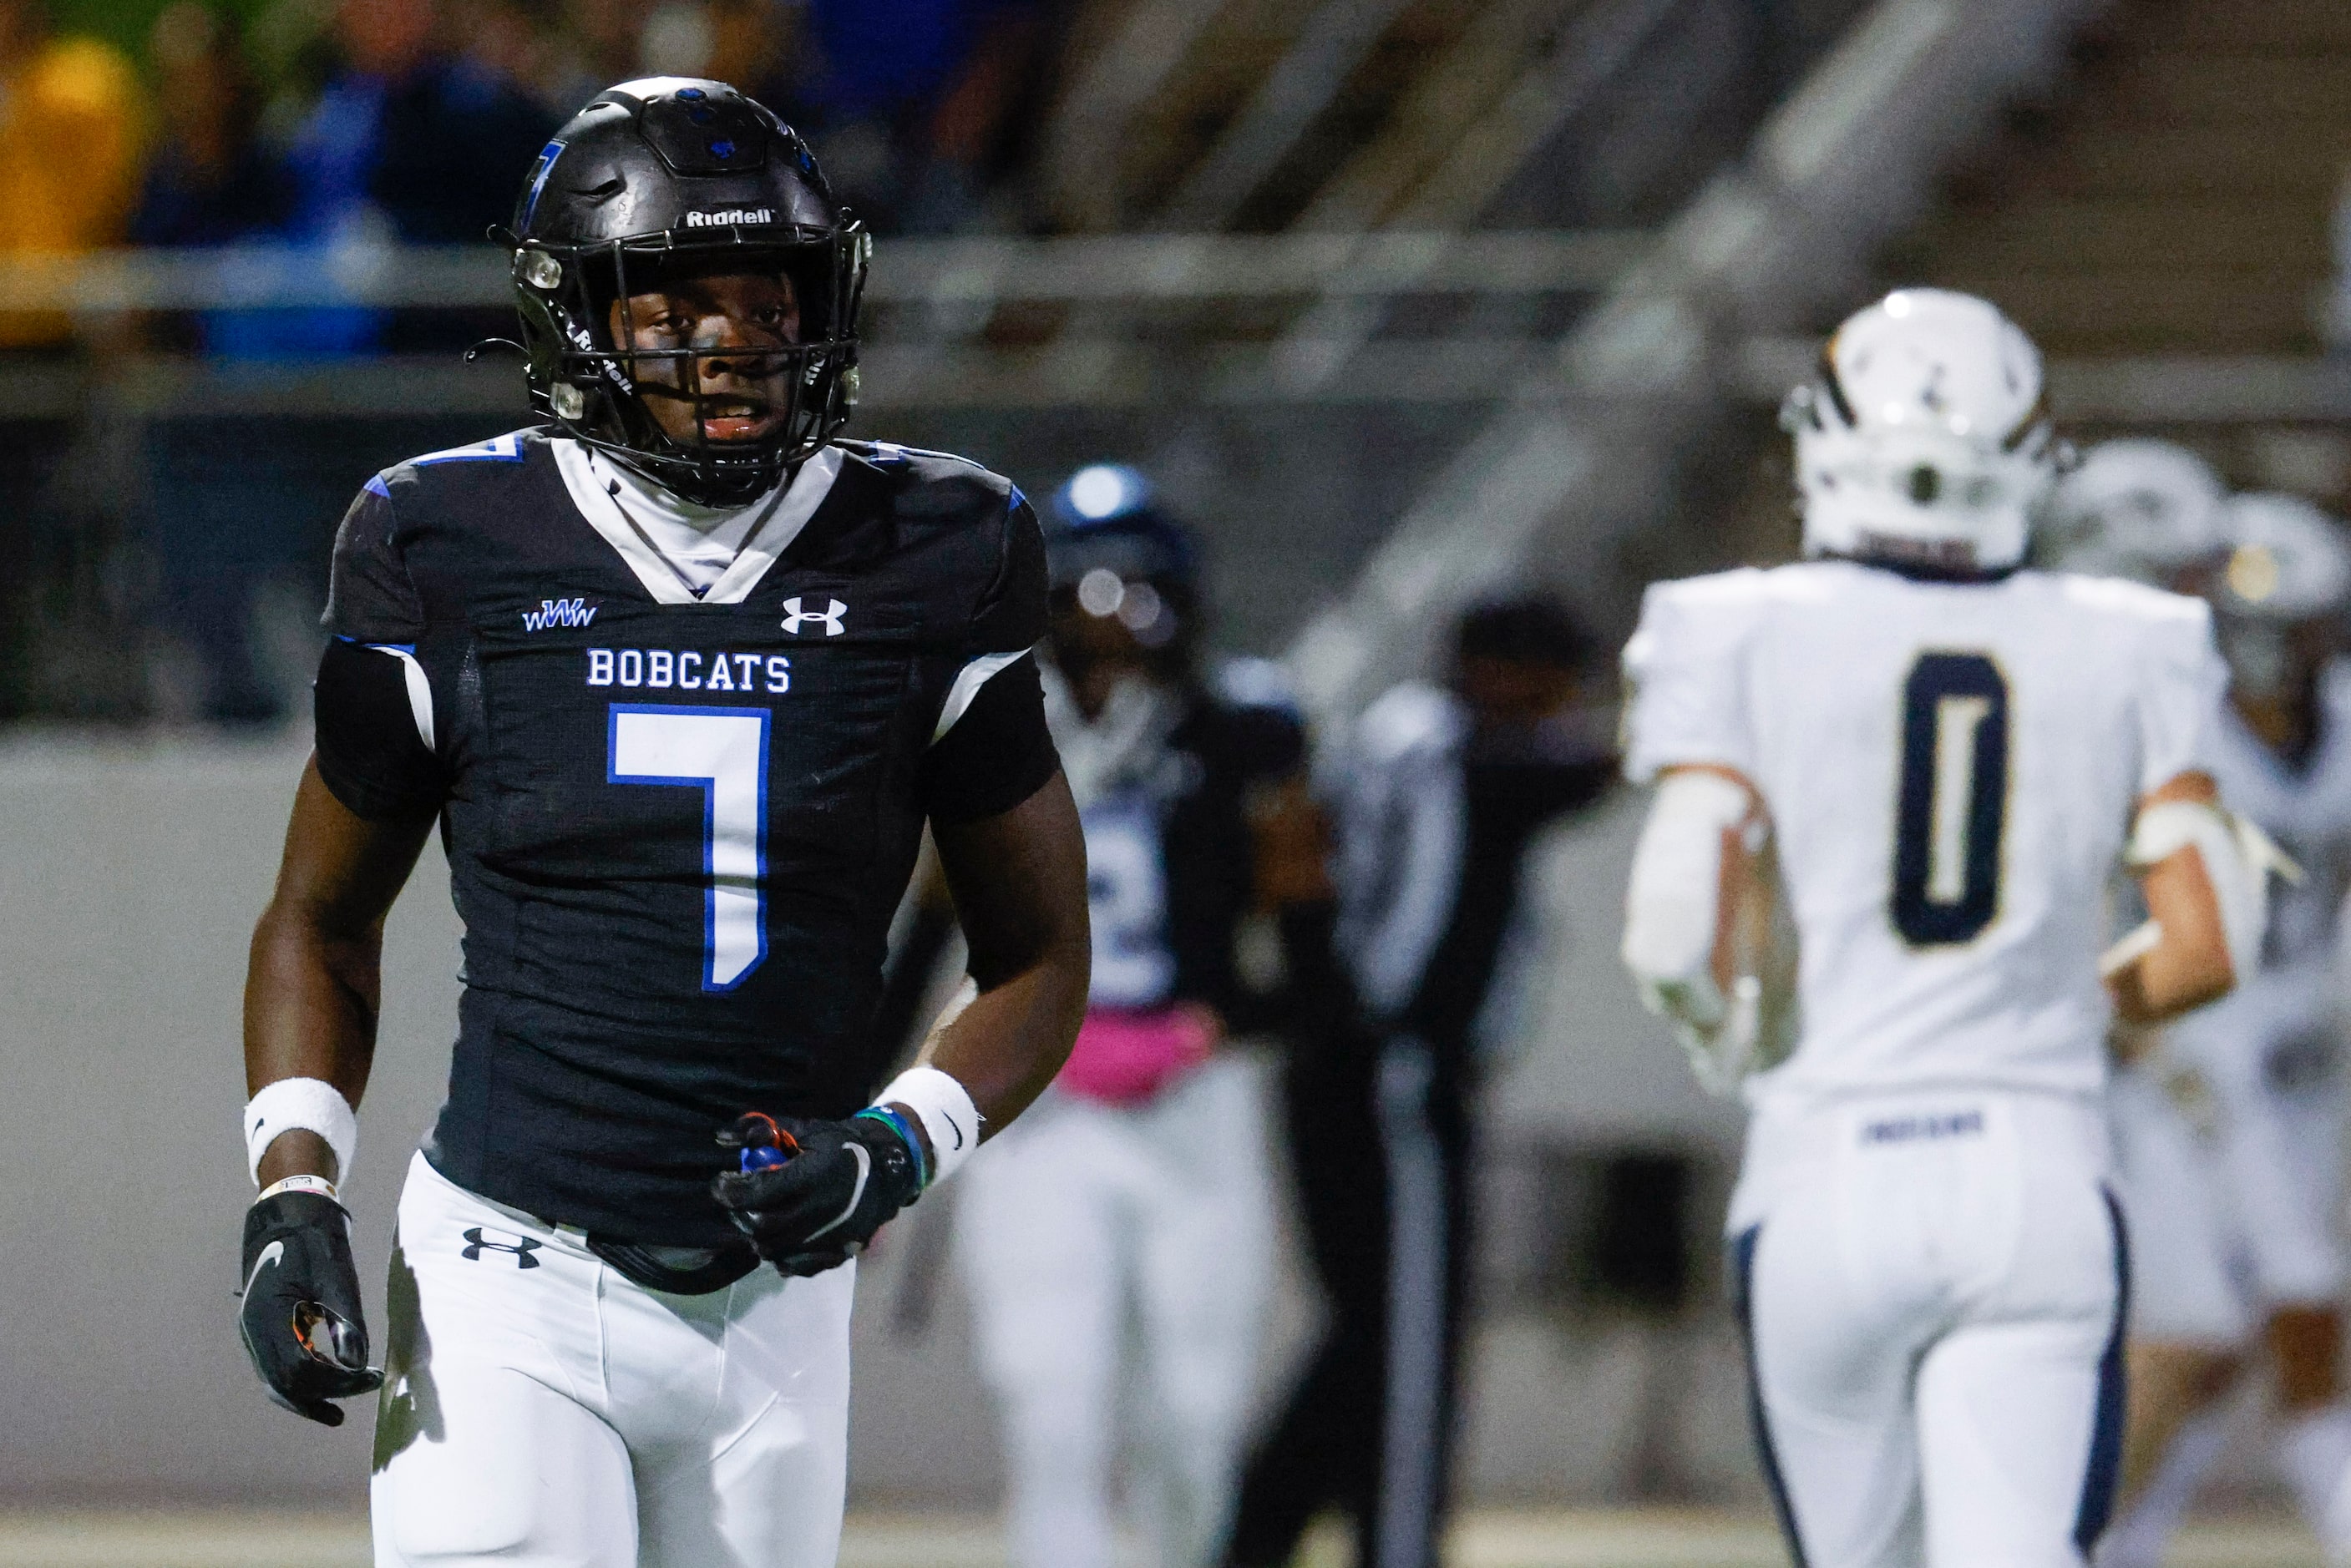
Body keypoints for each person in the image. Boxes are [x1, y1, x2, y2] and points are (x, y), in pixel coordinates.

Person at [231, 79, 1091, 1568]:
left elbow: (1039, 952)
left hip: (776, 1305)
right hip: (511, 1266)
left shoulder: (940, 547)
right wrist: (293, 1183)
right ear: (577, 316)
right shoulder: (443, 544)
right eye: (675, 299)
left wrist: (900, 1143)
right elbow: (321, 913)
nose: (735, 339)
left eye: (769, 295)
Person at [1619, 288, 2268, 1567]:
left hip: (1823, 1160)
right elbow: (2202, 949)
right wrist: (2059, 1008)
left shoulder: (1734, 624)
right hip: (2033, 1161)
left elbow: (1662, 934)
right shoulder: (2131, 638)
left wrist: (1729, 1030)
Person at [953, 463, 1320, 1568]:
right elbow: (925, 930)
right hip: (1033, 1098)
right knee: (1050, 1401)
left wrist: (1221, 1022)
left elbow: (1312, 951)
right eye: (1083, 596)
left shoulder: (1246, 733)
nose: (1110, 624)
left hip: (1191, 1098)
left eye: (1136, 596)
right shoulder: (990, 723)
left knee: (1194, 1415)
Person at [1224, 594, 1617, 1568]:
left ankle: (1252, 1537)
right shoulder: (1454, 748)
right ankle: (1391, 1549)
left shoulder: (1399, 738)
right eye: (1554, 682)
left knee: (1367, 1337)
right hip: (1391, 1074)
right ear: (1500, 669)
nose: (1563, 707)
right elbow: (1591, 772)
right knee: (1409, 1348)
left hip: (1347, 1068)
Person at [2096, 495, 2351, 1568]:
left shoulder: (2342, 720)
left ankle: (2110, 1546)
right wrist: (2131, 1028)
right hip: (2185, 1063)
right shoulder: (2163, 726)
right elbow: (2095, 903)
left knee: (2220, 1342)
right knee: (2262, 1320)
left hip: (2299, 1061)